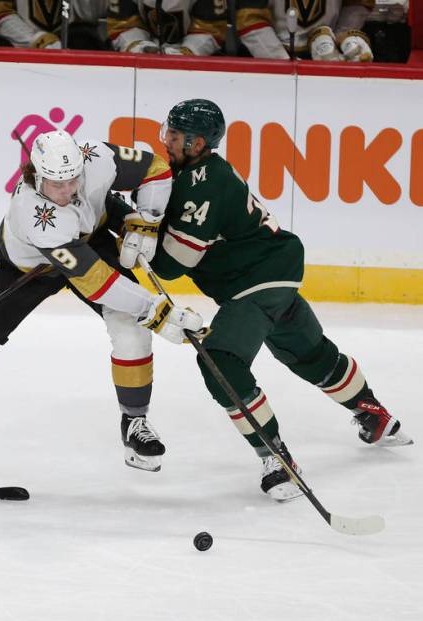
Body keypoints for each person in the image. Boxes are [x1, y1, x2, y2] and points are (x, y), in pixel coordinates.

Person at [0, 130, 204, 473]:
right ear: (36, 175)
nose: (68, 191)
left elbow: (155, 168)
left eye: (73, 179)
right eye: (56, 184)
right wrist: (154, 310)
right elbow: (94, 280)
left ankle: (135, 422)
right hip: (29, 268)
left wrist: (146, 221)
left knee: (131, 331)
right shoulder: (33, 213)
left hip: (89, 241)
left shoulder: (96, 156)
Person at [152, 99, 412, 500]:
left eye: (173, 135)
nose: (165, 140)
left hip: (254, 282)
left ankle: (277, 457)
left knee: (220, 360)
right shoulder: (200, 173)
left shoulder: (200, 182)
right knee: (311, 354)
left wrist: (136, 236)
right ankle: (375, 415)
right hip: (276, 275)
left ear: (197, 141)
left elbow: (173, 265)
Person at [235, 0, 375, 61]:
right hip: (266, 59)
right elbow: (249, 17)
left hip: (325, 53)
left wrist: (340, 41)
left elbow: (357, 4)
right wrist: (280, 63)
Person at [107, 0, 227, 55]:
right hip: (141, 61)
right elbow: (123, 23)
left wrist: (187, 52)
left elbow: (211, 28)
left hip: (195, 64)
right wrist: (138, 47)